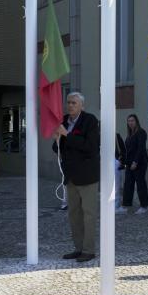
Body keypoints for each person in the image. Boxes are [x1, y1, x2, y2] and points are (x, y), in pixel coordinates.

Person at [52, 92, 100, 262]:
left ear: (82, 105)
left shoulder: (90, 121)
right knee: (74, 215)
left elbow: (91, 147)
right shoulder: (64, 121)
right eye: (68, 102)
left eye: (73, 103)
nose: (70, 105)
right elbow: (59, 148)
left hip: (87, 176)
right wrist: (57, 139)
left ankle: (89, 250)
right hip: (70, 176)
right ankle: (78, 248)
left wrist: (67, 135)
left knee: (89, 214)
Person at [118, 114, 148, 214]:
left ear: (136, 122)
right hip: (130, 163)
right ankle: (125, 205)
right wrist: (123, 161)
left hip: (140, 162)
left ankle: (144, 206)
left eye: (132, 121)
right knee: (128, 184)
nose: (130, 123)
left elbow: (141, 149)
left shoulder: (141, 132)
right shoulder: (129, 134)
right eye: (129, 121)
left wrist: (135, 162)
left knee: (140, 183)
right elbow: (128, 150)